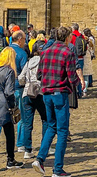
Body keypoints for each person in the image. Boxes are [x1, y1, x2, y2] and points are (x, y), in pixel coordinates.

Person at [32, 26, 78, 177]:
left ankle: (40, 158)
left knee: (51, 126)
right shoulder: (67, 52)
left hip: (46, 93)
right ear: (67, 37)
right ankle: (57, 169)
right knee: (63, 131)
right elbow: (71, 77)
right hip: (59, 93)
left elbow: (39, 74)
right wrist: (78, 84)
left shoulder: (45, 52)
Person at [18, 40, 47, 160]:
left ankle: (27, 149)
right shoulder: (44, 62)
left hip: (27, 93)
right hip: (40, 93)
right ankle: (45, 146)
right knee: (46, 120)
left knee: (27, 123)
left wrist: (26, 84)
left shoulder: (29, 62)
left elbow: (21, 78)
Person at [68, 23, 87, 99]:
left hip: (73, 58)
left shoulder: (71, 36)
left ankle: (73, 92)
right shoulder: (81, 36)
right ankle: (80, 91)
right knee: (79, 74)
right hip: (81, 57)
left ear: (73, 29)